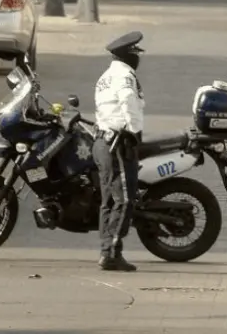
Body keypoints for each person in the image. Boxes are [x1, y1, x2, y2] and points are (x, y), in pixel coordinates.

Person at [92, 31, 147, 272]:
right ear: (128, 54)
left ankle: (107, 249)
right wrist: (135, 131)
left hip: (102, 142)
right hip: (118, 144)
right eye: (136, 53)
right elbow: (127, 100)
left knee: (109, 201)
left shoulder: (105, 76)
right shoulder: (125, 75)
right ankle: (112, 252)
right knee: (124, 199)